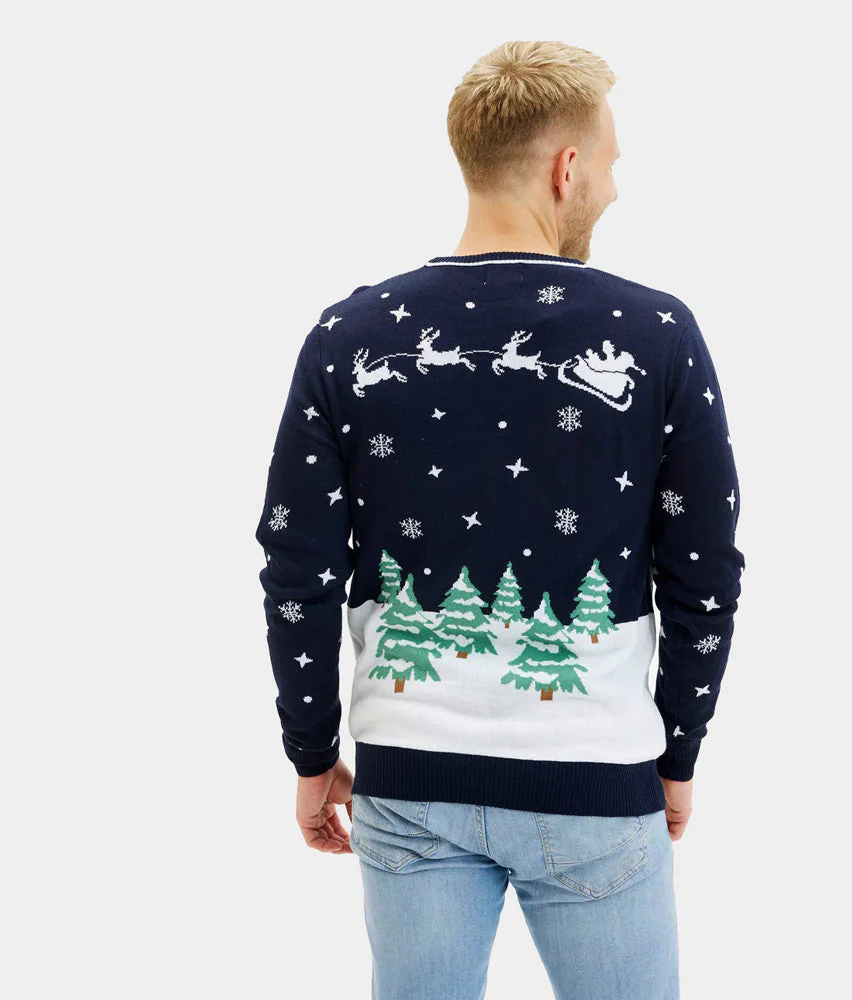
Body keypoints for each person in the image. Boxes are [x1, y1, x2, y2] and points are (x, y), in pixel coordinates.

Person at [254, 39, 745, 1000]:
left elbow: (297, 569)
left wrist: (313, 754)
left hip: (410, 784)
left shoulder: (349, 335)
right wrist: (677, 751)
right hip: (594, 783)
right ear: (567, 168)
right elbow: (704, 570)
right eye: (610, 163)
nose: (613, 186)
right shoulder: (656, 335)